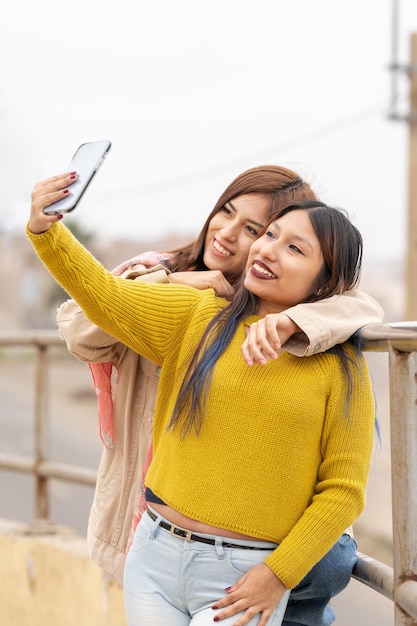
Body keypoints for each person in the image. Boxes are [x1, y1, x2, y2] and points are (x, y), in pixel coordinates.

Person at [27, 176, 377, 626]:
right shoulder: (198, 317)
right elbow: (104, 296)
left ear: (325, 283)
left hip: (242, 579)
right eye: (270, 235)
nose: (267, 249)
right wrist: (46, 233)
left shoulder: (340, 368)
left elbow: (343, 491)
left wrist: (277, 575)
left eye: (295, 249)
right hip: (153, 556)